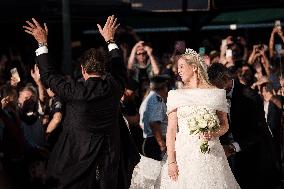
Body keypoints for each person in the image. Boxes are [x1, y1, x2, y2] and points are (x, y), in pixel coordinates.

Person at [23, 16, 127, 189]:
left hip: (76, 164)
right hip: (108, 161)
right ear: (103, 70)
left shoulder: (74, 91)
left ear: (82, 70)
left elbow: (48, 76)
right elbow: (120, 70)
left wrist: (42, 44)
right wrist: (110, 40)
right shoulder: (115, 86)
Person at [207, 63, 282, 189]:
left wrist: (233, 148)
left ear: (226, 80)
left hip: (254, 156)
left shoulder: (250, 96)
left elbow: (258, 132)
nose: (214, 91)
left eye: (217, 87)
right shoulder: (215, 97)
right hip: (227, 159)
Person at [139, 75, 169, 161]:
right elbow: (154, 123)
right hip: (155, 143)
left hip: (150, 140)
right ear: (164, 87)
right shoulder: (156, 99)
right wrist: (162, 144)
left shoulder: (148, 98)